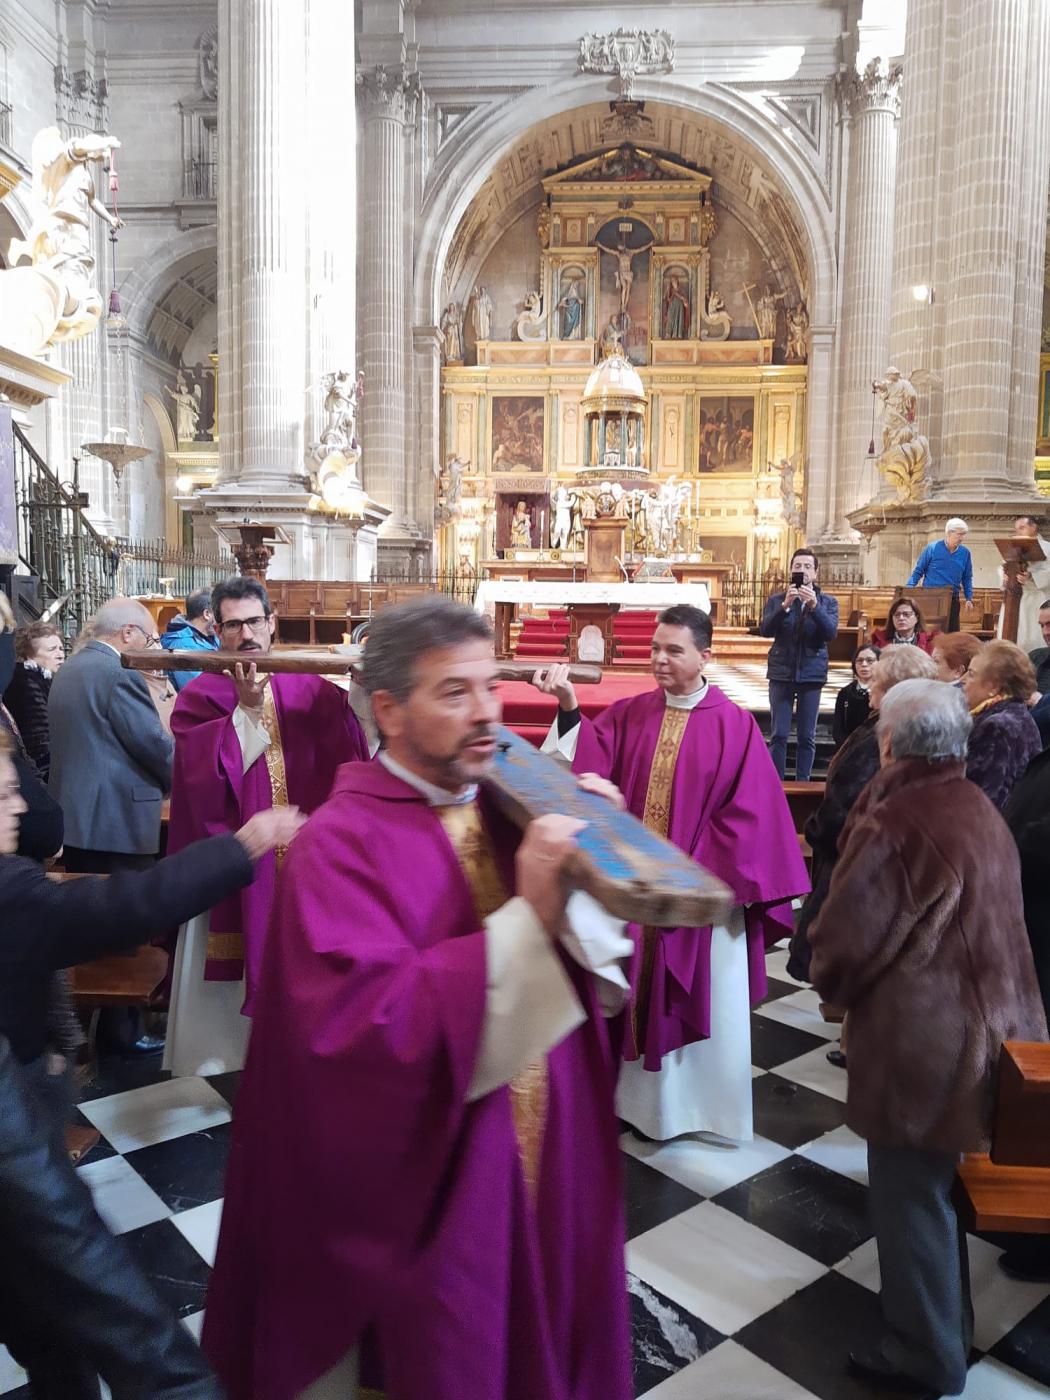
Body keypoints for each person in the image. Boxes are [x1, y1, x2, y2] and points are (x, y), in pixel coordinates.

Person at [203, 596, 635, 1400]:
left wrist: (593, 865)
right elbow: (364, 1038)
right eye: (455, 693)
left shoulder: (510, 807)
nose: (487, 715)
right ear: (389, 710)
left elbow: (592, 982)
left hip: (544, 1163)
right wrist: (532, 910)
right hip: (433, 1188)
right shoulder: (339, 843)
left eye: (493, 688)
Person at [0, 721, 302, 1400]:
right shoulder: (9, 893)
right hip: (15, 1126)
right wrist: (246, 843)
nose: (19, 806)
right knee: (79, 1282)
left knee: (39, 1313)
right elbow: (123, 905)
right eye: (5, 795)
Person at [809, 679, 1047, 1396]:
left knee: (909, 1196)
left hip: (926, 1041)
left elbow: (848, 940)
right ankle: (943, 1326)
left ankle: (926, 1353)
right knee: (931, 1189)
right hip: (989, 1025)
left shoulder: (896, 820)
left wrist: (830, 981)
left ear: (888, 740)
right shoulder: (972, 801)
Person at [535, 603, 809, 1142]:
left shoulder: (736, 728)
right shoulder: (633, 711)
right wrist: (569, 706)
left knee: (696, 992)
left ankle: (694, 1114)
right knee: (629, 987)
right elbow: (592, 764)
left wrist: (686, 869)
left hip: (698, 900)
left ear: (705, 656)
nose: (658, 659)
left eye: (672, 650)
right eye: (655, 648)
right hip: (636, 893)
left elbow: (753, 820)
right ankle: (630, 1103)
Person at [164, 575, 369, 1076]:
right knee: (224, 1036)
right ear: (217, 631)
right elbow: (200, 782)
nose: (247, 634)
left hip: (304, 868)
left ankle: (298, 1061)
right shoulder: (201, 696)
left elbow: (356, 748)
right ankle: (222, 1066)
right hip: (236, 870)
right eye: (233, 625)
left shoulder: (313, 689)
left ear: (272, 623)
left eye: (254, 621)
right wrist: (247, 712)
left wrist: (365, 693)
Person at [789, 646, 938, 987]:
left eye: (879, 681)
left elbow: (845, 807)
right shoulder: (892, 727)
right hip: (856, 860)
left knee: (843, 971)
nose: (869, 684)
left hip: (853, 868)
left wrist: (815, 830)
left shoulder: (883, 738)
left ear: (897, 689)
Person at [48, 598, 173, 874]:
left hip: (77, 824)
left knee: (89, 911)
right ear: (128, 633)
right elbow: (153, 745)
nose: (154, 648)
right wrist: (178, 779)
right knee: (130, 914)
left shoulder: (70, 667)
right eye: (150, 639)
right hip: (118, 825)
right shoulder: (119, 674)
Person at [758, 548, 840, 781]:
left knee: (807, 736)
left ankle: (802, 784)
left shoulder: (828, 602)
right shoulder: (776, 600)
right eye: (797, 566)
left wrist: (814, 607)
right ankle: (777, 784)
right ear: (790, 570)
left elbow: (830, 633)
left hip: (812, 673)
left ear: (815, 572)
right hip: (781, 672)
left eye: (806, 567)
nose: (801, 571)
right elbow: (766, 630)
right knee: (779, 734)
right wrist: (785, 606)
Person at [961, 640, 1041, 809]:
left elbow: (985, 802)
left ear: (994, 686)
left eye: (971, 674)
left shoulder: (997, 726)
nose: (963, 680)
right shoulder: (1014, 712)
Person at [4, 622, 64, 782]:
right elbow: (38, 742)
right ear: (30, 655)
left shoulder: (42, 680)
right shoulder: (27, 682)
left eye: (61, 648)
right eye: (52, 649)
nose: (60, 655)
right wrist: (50, 781)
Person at [906, 517, 974, 631]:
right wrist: (908, 590)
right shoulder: (932, 548)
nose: (962, 538)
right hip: (931, 597)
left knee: (952, 636)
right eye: (959, 534)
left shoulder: (965, 553)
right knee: (929, 633)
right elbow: (918, 571)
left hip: (952, 599)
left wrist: (969, 598)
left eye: (964, 534)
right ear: (949, 533)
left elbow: (967, 578)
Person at [998, 515, 1050, 652]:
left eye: (1022, 528)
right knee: (1015, 638)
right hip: (1014, 600)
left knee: (1034, 639)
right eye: (1016, 529)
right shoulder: (1012, 548)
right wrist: (1005, 575)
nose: (1018, 532)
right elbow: (1003, 567)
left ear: (1034, 527)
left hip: (1037, 600)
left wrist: (1032, 576)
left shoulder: (1047, 548)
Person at [160, 587, 220, 690]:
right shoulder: (182, 646)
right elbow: (199, 690)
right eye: (219, 612)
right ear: (207, 614)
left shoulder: (213, 636)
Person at [832, 644, 878, 749]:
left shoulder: (884, 692)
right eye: (859, 661)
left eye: (870, 660)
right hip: (848, 750)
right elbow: (837, 729)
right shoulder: (845, 693)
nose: (864, 665)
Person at [870, 596, 934, 653]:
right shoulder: (880, 642)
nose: (901, 618)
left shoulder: (928, 643)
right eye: (897, 614)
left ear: (916, 618)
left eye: (906, 614)